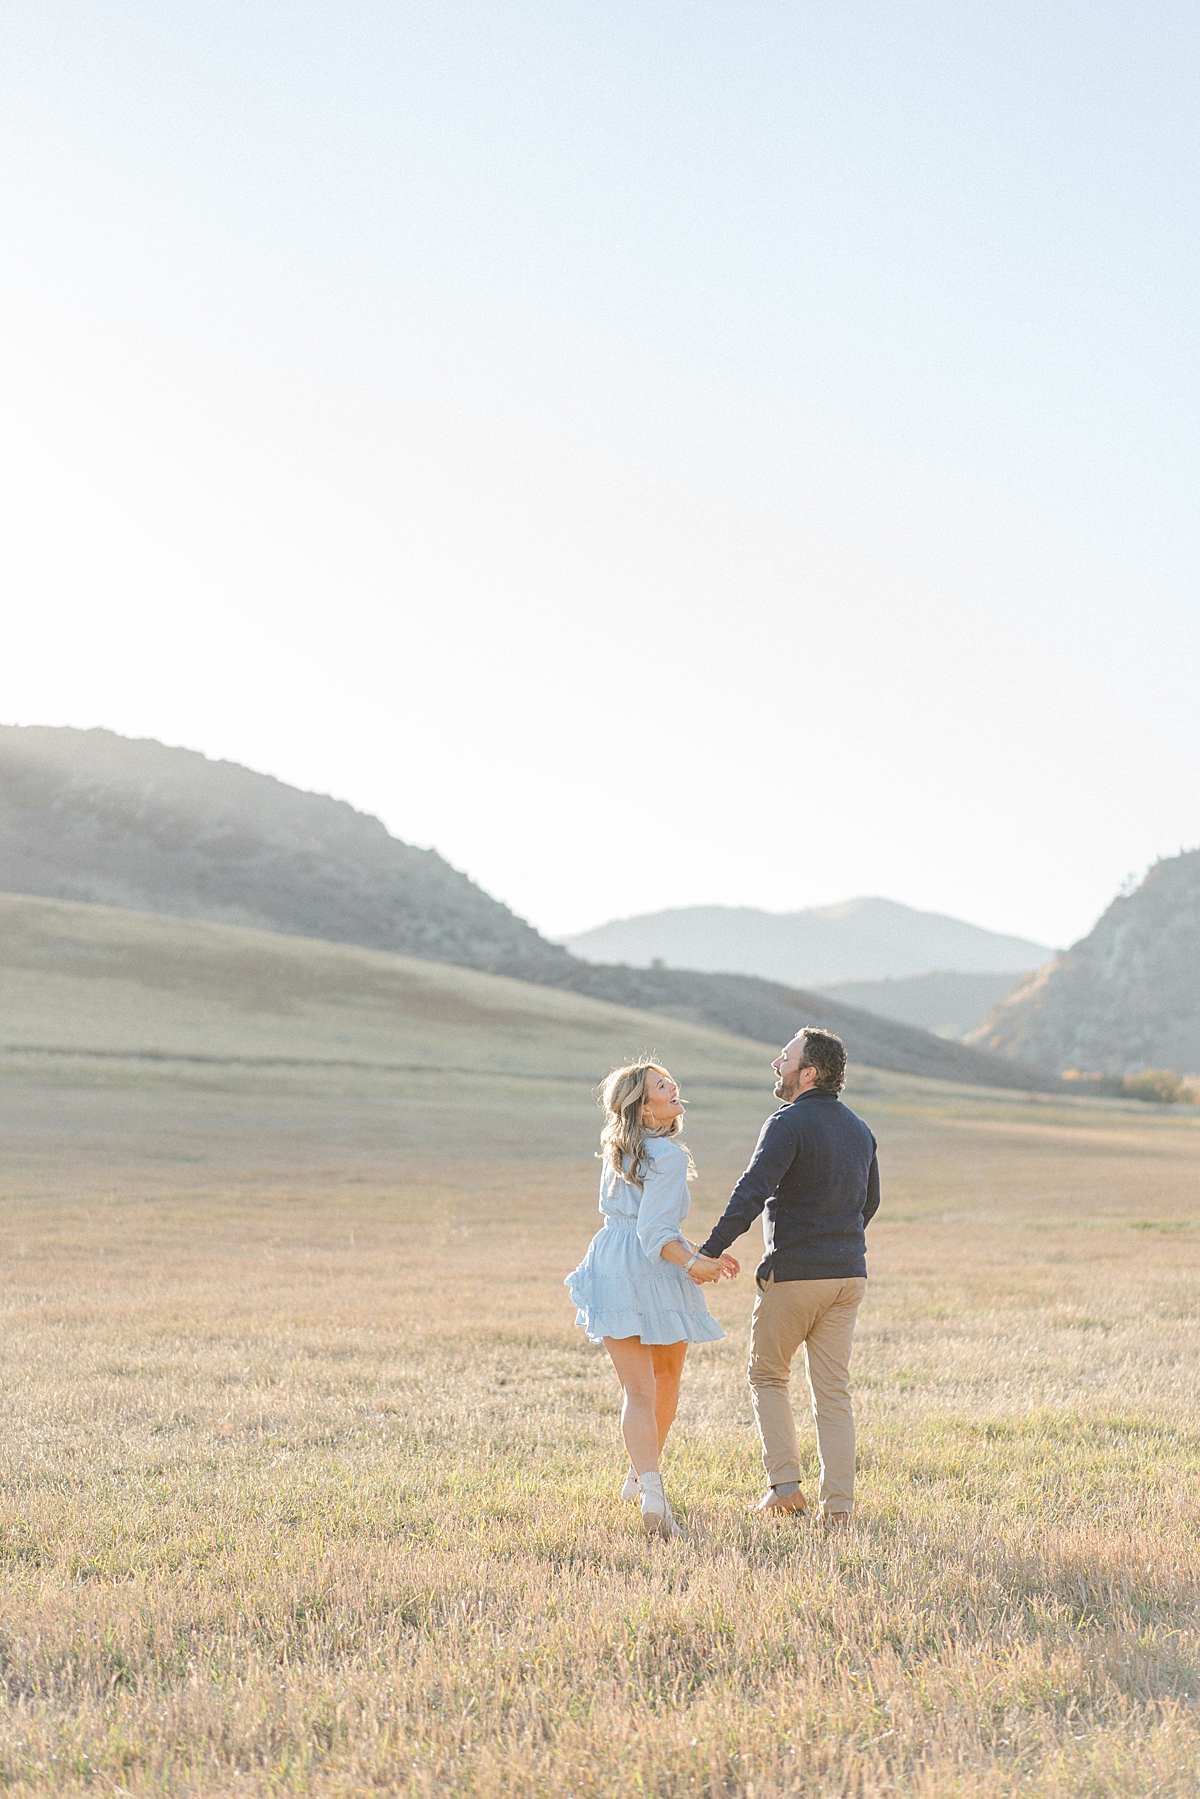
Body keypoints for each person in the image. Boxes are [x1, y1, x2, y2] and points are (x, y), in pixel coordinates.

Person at [696, 1027, 879, 1528]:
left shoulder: (787, 1123)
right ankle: (838, 1508)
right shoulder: (860, 1129)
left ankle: (784, 1488)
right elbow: (871, 1203)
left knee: (767, 1375)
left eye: (786, 1057)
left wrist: (708, 1251)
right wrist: (836, 1238)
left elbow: (751, 1191)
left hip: (795, 1275)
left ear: (809, 1072)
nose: (777, 1063)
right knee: (833, 1392)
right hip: (848, 1276)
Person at [566, 1061, 739, 1537]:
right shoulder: (670, 1156)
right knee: (663, 1381)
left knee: (639, 1390)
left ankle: (641, 1480)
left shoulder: (618, 1149)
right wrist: (692, 1263)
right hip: (653, 1265)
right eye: (662, 1087)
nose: (673, 1088)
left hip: (610, 1258)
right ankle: (654, 1496)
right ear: (645, 1111)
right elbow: (655, 1232)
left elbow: (639, 1225)